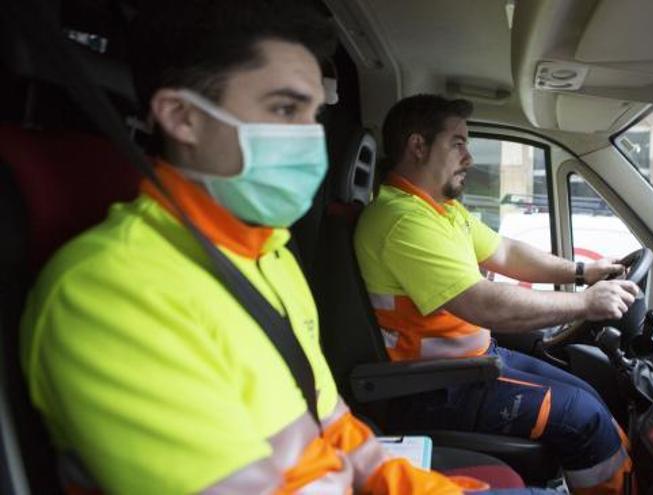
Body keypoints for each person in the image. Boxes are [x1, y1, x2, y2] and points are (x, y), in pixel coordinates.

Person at [19, 3, 530, 493]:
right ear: (182, 117)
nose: (309, 138)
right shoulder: (110, 293)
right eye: (284, 108)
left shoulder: (270, 255)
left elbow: (330, 421)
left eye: (312, 115)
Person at [354, 94, 642, 494]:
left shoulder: (439, 210)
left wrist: (582, 272)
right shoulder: (402, 221)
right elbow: (483, 303)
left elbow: (506, 252)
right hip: (433, 387)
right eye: (457, 143)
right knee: (586, 417)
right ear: (418, 146)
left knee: (588, 392)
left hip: (471, 364)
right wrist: (587, 302)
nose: (469, 157)